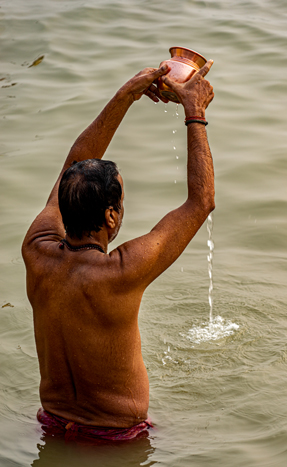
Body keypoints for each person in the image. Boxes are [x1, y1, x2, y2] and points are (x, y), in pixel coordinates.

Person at [22, 60, 215, 442]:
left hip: (52, 425)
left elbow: (74, 164)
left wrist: (128, 92)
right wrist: (196, 113)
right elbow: (201, 202)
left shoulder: (36, 250)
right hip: (117, 440)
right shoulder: (121, 273)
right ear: (111, 217)